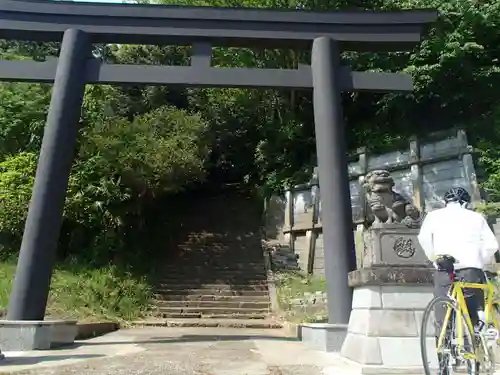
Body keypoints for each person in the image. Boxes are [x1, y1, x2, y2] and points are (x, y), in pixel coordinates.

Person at [418, 187, 498, 329]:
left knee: (443, 309)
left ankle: (445, 346)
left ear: (445, 202)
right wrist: (480, 261)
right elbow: (491, 245)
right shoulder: (476, 217)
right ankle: (477, 335)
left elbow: (423, 239)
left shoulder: (433, 216)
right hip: (471, 269)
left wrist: (433, 258)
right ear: (466, 203)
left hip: (444, 268)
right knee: (473, 309)